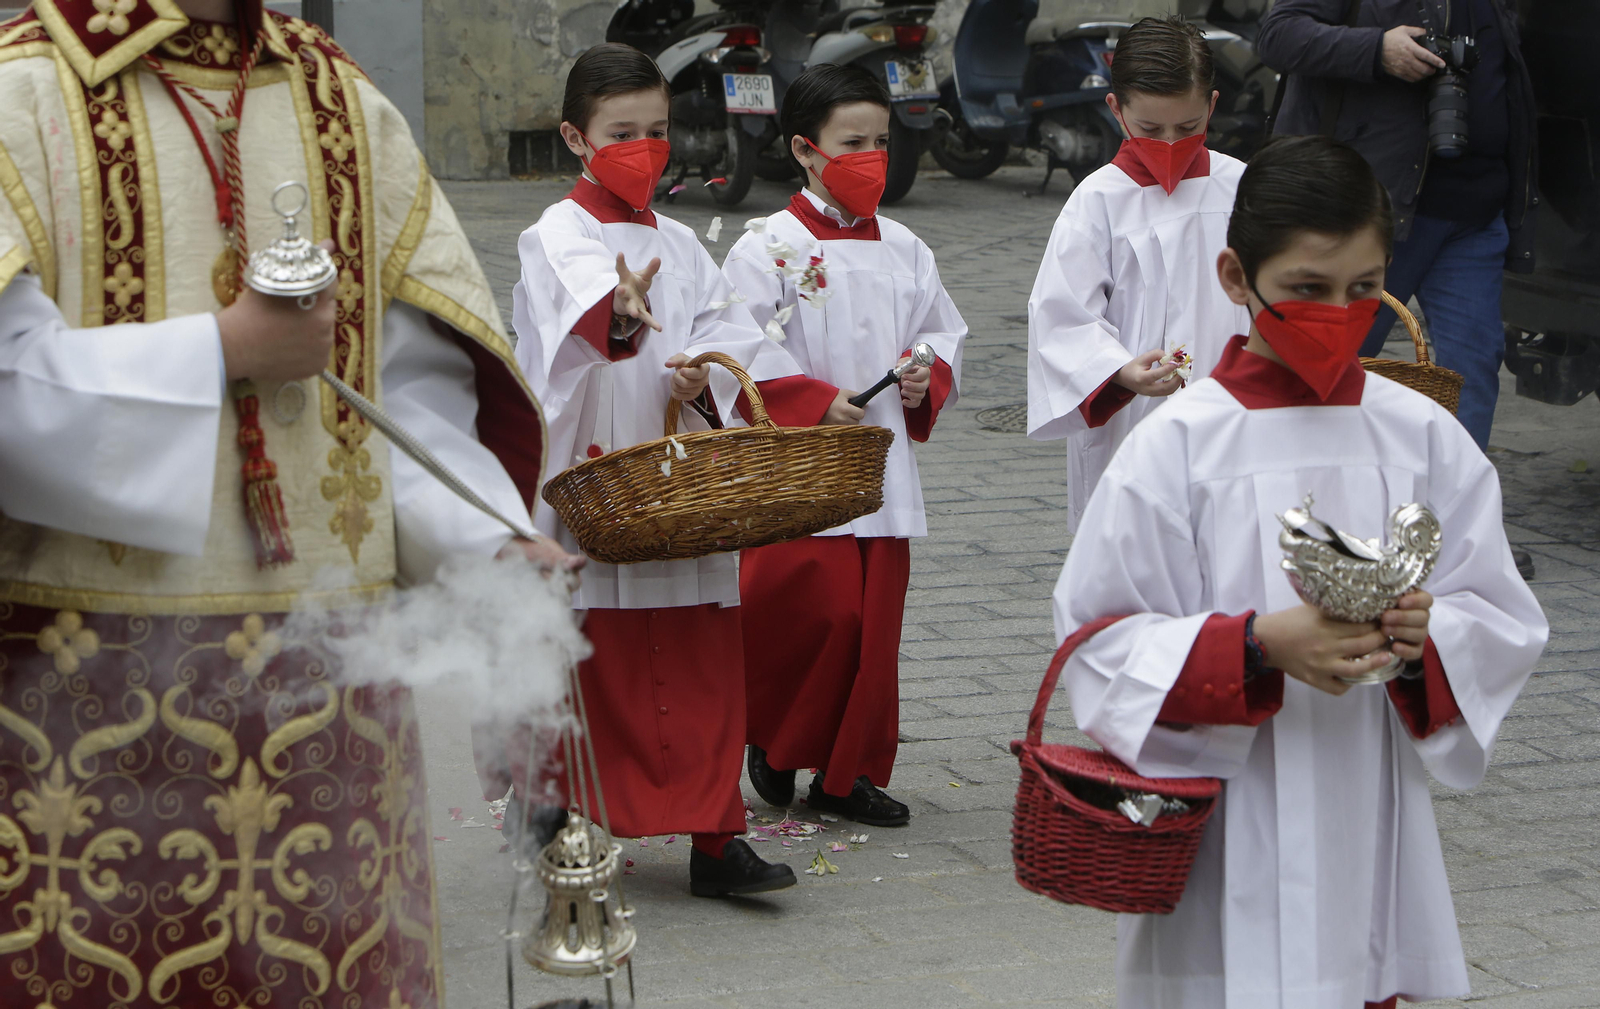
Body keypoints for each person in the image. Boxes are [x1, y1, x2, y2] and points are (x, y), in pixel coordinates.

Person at [0, 2, 576, 1006]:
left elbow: (406, 391)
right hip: (79, 708)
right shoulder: (22, 93)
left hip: (330, 712)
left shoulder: (341, 96)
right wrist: (220, 352)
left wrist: (484, 539)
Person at [1052, 135, 1547, 1008]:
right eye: (1307, 290)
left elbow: (1499, 610)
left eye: (1363, 290)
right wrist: (1253, 646)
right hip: (1227, 811)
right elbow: (1096, 639)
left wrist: (1433, 632)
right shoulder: (1178, 445)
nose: (1338, 312)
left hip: (1367, 787)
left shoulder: (1420, 431)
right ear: (1236, 277)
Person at [505, 42, 847, 898]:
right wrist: (619, 312)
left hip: (681, 479)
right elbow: (583, 313)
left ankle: (714, 834)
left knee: (700, 654)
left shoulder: (685, 244)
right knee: (591, 659)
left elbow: (732, 335)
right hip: (597, 472)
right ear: (576, 139)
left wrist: (703, 375)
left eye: (658, 131)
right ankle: (569, 816)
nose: (645, 149)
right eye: (623, 132)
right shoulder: (556, 233)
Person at [723, 63, 967, 828]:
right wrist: (808, 399)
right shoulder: (769, 246)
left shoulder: (906, 246)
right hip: (801, 463)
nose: (871, 156)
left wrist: (931, 375)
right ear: (804, 148)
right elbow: (733, 343)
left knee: (873, 627)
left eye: (881, 141)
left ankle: (847, 773)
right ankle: (773, 738)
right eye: (851, 142)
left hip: (882, 464)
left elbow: (941, 329)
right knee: (812, 613)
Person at [1257, 0, 1538, 455]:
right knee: (1330, 364)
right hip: (1372, 213)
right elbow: (1277, 35)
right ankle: (1308, 500)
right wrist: (1375, 49)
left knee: (1473, 370)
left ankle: (1448, 514)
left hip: (1474, 216)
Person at [1028, 15, 1250, 533]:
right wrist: (1118, 372)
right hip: (1133, 418)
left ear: (1212, 107)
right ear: (1117, 110)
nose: (1170, 144)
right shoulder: (1098, 201)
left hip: (1234, 409)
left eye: (1188, 128)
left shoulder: (1242, 188)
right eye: (1150, 130)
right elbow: (1063, 316)